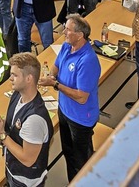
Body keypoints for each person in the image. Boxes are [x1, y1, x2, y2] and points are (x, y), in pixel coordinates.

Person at [38, 14, 100, 182]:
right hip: (64, 111)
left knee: (81, 159)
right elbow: (56, 66)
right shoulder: (67, 46)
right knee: (68, 151)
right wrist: (50, 77)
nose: (63, 31)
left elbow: (81, 97)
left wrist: (56, 85)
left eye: (68, 29)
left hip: (80, 118)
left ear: (80, 35)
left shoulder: (88, 61)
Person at [0, 53, 53, 187]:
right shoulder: (17, 95)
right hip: (12, 169)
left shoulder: (34, 120)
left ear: (29, 79)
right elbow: (15, 127)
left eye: (15, 75)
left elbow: (27, 159)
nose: (10, 78)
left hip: (25, 181)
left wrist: (1, 134)